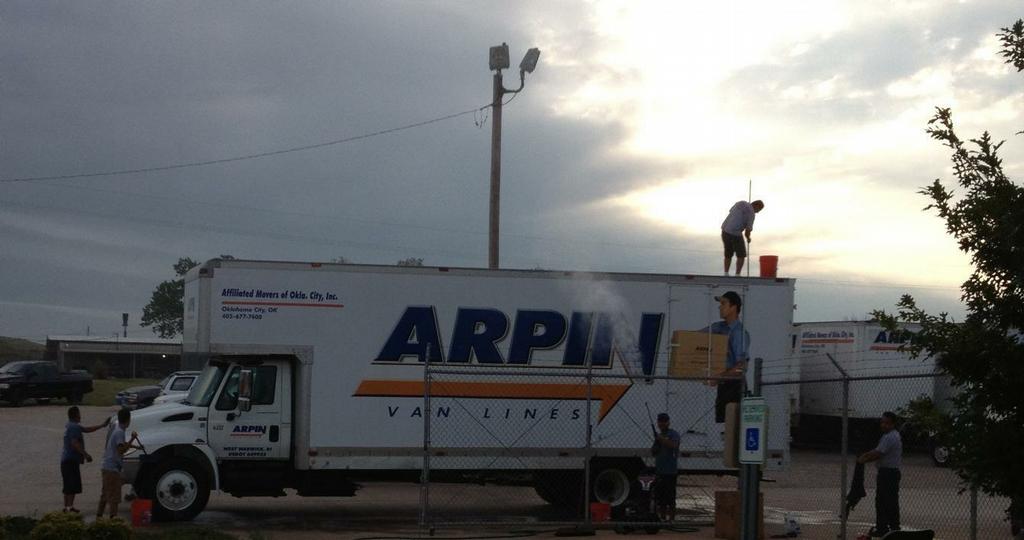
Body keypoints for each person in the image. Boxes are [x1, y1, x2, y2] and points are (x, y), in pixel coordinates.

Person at [705, 291, 750, 423]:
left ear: (733, 307)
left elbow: (741, 367)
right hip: (724, 385)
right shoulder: (719, 327)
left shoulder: (739, 333)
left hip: (734, 387)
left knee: (731, 426)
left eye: (723, 303)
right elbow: (694, 338)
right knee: (722, 423)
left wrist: (718, 377)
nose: (720, 307)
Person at [857, 411, 903, 537]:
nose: (883, 425)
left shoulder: (890, 437)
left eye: (887, 423)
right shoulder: (888, 435)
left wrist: (863, 458)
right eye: (882, 422)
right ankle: (884, 527)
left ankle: (891, 527)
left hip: (889, 473)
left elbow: (878, 453)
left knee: (888, 501)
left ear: (893, 424)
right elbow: (877, 451)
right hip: (887, 472)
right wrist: (866, 456)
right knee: (882, 501)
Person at [60, 406, 110, 513]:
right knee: (71, 484)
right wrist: (86, 454)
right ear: (76, 415)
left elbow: (87, 429)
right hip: (70, 460)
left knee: (69, 484)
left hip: (67, 460)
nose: (80, 416)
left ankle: (68, 506)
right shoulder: (74, 427)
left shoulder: (71, 425)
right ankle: (68, 508)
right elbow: (74, 443)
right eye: (79, 414)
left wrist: (102, 425)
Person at [97, 407, 142, 519]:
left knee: (105, 494)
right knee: (114, 497)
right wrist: (132, 439)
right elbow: (121, 450)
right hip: (112, 469)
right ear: (128, 419)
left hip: (106, 467)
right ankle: (113, 519)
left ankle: (99, 516)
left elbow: (121, 444)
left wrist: (136, 446)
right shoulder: (120, 432)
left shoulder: (117, 429)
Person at [720, 199, 764, 276]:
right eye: (759, 209)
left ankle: (726, 273)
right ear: (756, 206)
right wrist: (748, 238)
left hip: (725, 230)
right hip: (735, 233)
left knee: (728, 253)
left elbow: (731, 211)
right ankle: (737, 274)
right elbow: (748, 230)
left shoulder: (740, 203)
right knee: (741, 255)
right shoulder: (751, 214)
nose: (758, 212)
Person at [651, 413, 681, 521]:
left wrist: (661, 439)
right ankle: (662, 517)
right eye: (660, 421)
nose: (662, 423)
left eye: (664, 421)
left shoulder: (673, 434)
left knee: (670, 496)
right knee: (661, 497)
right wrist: (656, 443)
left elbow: (674, 445)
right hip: (660, 471)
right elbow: (653, 452)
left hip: (670, 471)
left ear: (668, 422)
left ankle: (671, 518)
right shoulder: (658, 436)